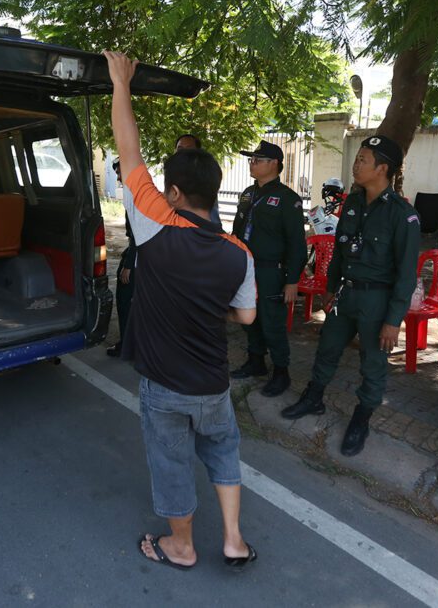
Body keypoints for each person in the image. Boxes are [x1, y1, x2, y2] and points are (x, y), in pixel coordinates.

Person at [105, 50, 258, 570]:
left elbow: (128, 152)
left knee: (171, 463)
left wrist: (120, 84)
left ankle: (182, 547)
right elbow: (247, 318)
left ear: (172, 192)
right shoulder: (239, 254)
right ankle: (234, 539)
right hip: (213, 382)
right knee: (222, 450)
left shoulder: (155, 225)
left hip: (165, 385)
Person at [281, 135, 420, 457]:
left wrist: (393, 320)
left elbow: (406, 274)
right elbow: (341, 253)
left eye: (363, 160)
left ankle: (362, 417)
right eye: (357, 158)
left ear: (382, 168)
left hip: (378, 300)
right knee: (327, 348)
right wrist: (329, 290)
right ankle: (313, 397)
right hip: (346, 294)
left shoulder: (402, 215)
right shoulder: (353, 204)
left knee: (373, 363)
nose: (356, 165)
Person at [229, 140, 306, 397]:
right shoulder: (248, 194)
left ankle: (281, 372)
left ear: (274, 164)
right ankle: (256, 361)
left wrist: (292, 280)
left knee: (272, 321)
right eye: (251, 159)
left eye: (257, 160)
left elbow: (297, 243)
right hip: (244, 267)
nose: (252, 163)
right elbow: (237, 231)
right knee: (248, 316)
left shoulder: (288, 200)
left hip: (271, 271)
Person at [107, 159, 136, 358]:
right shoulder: (135, 194)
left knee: (126, 300)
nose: (118, 177)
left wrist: (128, 264)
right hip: (138, 253)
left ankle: (128, 345)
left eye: (120, 173)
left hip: (138, 256)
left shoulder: (135, 196)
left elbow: (138, 235)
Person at [175, 133, 223, 226]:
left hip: (203, 232)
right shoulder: (174, 173)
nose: (183, 152)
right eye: (180, 148)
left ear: (198, 152)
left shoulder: (205, 175)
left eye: (189, 148)